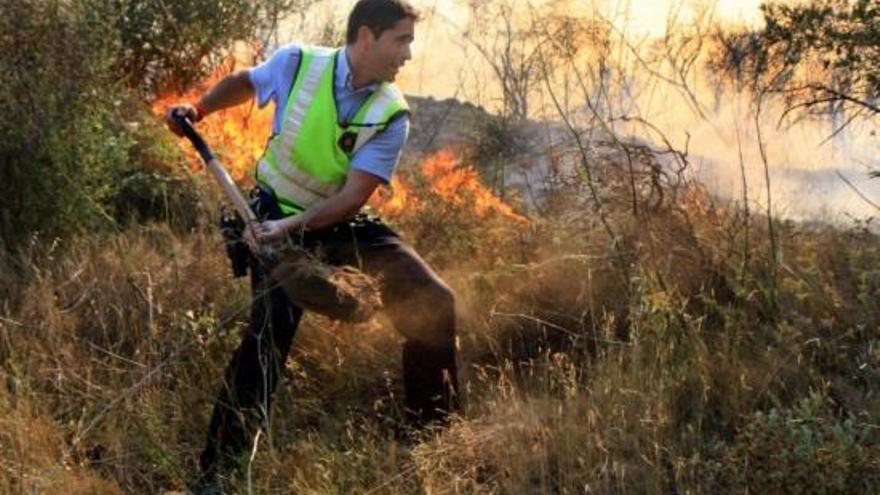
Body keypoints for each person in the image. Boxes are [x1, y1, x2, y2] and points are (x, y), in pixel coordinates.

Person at [166, 0, 459, 492]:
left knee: (433, 299)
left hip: (340, 222)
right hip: (274, 212)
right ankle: (217, 475)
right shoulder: (298, 62)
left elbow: (351, 197)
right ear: (367, 36)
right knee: (267, 339)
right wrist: (199, 108)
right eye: (401, 40)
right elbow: (248, 82)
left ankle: (435, 441)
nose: (408, 54)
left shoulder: (391, 113)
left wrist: (291, 229)